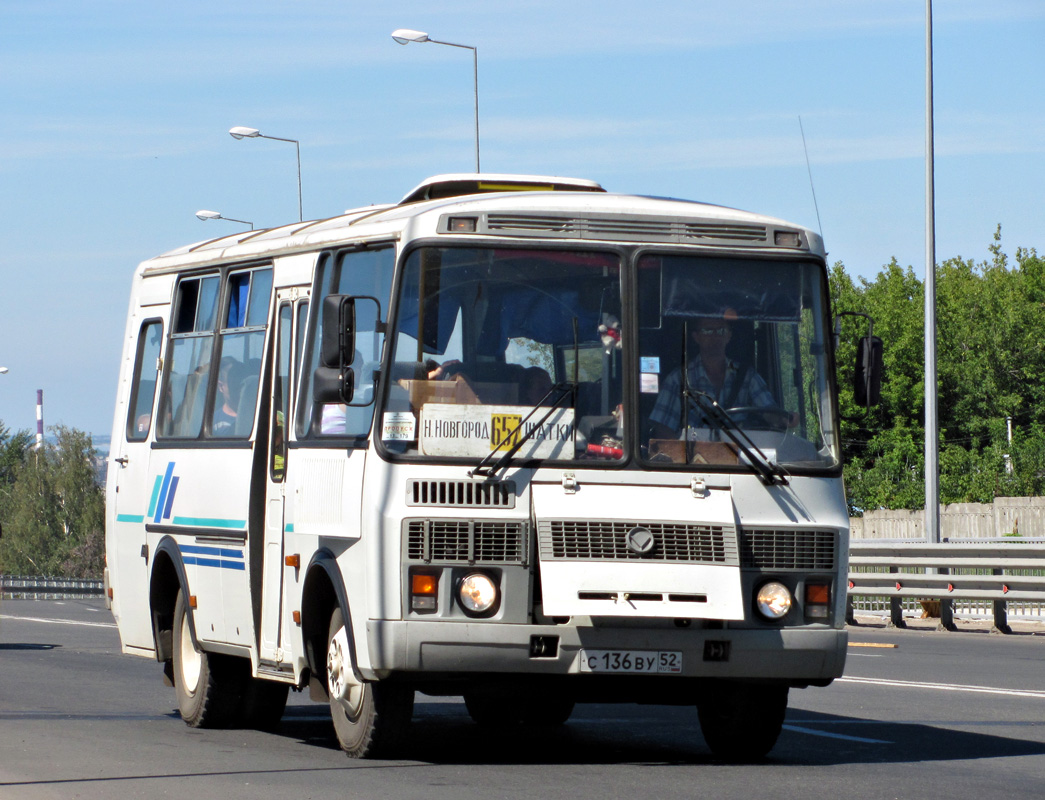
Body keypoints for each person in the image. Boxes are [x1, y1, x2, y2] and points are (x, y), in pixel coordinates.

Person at [649, 315, 783, 440]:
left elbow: (770, 412)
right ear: (696, 337)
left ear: (729, 336)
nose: (715, 336)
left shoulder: (747, 377)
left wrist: (784, 418)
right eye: (708, 331)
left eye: (721, 331)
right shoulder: (678, 380)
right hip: (693, 462)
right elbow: (662, 431)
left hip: (743, 462)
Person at [212, 359, 243, 435]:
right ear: (221, 386)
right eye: (232, 382)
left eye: (239, 382)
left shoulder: (254, 417)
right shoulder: (211, 423)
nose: (237, 387)